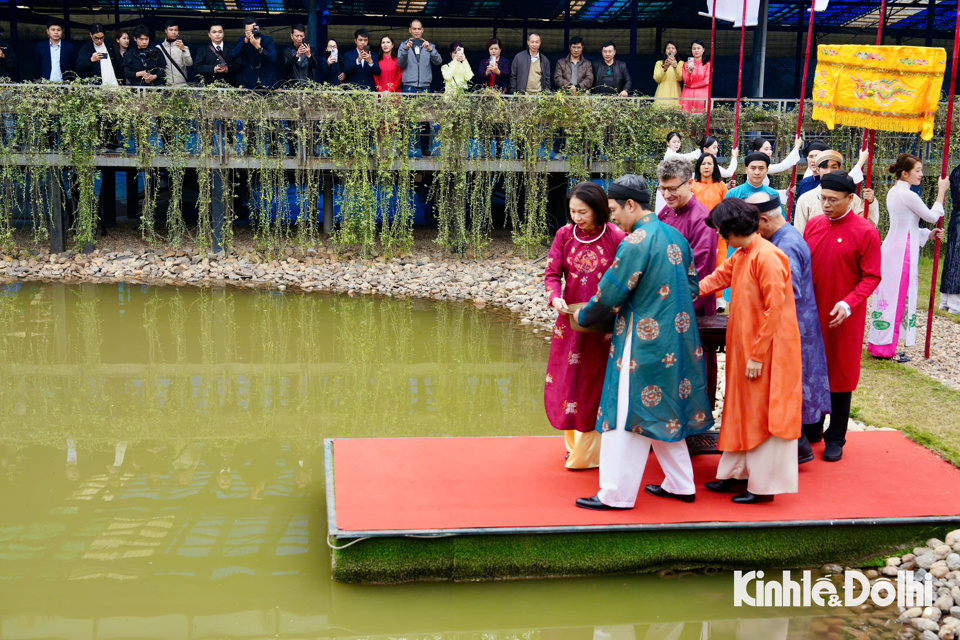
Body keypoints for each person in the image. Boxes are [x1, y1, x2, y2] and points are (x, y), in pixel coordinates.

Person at [573, 175, 715, 510]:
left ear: (632, 205)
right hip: (677, 339)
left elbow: (611, 291)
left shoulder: (636, 241)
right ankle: (681, 484)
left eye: (613, 210)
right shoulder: (676, 236)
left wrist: (586, 316)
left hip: (642, 343)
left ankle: (615, 494)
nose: (612, 218)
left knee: (624, 413)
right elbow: (693, 288)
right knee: (664, 410)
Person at [698, 199, 802, 503]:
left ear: (732, 229)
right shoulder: (744, 253)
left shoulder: (767, 257)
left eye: (721, 231)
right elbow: (719, 278)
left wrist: (757, 355)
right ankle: (737, 474)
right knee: (742, 406)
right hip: (748, 346)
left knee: (764, 411)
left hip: (769, 350)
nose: (720, 236)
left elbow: (775, 311)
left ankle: (764, 485)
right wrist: (688, 289)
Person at [544, 182, 628, 470]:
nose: (577, 218)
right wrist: (554, 298)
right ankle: (573, 445)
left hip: (605, 324)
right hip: (570, 321)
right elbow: (552, 274)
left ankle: (593, 452)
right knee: (569, 379)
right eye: (572, 212)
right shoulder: (564, 235)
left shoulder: (617, 236)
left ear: (600, 210)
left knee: (596, 381)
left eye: (583, 212)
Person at [748, 192, 831, 465]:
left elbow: (786, 291)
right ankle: (802, 440)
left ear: (763, 220)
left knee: (787, 386)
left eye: (753, 226)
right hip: (798, 321)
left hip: (793, 325)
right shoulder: (786, 235)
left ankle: (798, 446)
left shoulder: (786, 245)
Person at [804, 171, 882, 462]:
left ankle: (836, 436)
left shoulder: (865, 232)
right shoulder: (813, 225)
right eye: (822, 198)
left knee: (840, 372)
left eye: (832, 200)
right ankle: (811, 425)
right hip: (812, 312)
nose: (826, 204)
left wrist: (849, 304)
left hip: (844, 316)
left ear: (851, 199)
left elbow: (872, 276)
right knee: (811, 369)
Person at [867, 154, 948, 362]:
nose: (921, 175)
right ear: (905, 173)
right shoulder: (907, 194)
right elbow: (932, 216)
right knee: (894, 300)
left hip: (896, 248)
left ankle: (882, 345)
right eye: (918, 171)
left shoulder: (896, 192)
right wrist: (941, 191)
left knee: (890, 299)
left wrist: (928, 235)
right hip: (900, 253)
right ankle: (885, 349)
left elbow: (908, 226)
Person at [657, 156, 719, 406]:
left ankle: (694, 425)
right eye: (663, 188)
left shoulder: (702, 220)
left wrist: (673, 310)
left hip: (691, 308)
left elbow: (700, 276)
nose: (667, 194)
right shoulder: (665, 212)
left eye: (673, 188)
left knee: (692, 369)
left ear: (690, 183)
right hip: (664, 305)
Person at [793, 149, 878, 235]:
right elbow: (799, 233)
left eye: (833, 167)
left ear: (839, 169)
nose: (829, 171)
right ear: (818, 170)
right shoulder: (805, 199)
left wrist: (870, 202)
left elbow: (866, 226)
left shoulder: (850, 198)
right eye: (824, 167)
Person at [655, 132, 702, 214]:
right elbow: (687, 157)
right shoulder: (669, 155)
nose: (676, 144)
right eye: (674, 142)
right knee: (664, 211)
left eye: (678, 141)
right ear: (668, 143)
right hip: (667, 188)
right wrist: (700, 150)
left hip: (671, 187)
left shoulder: (673, 154)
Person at [232, 17, 278, 90]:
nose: (252, 33)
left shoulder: (268, 40)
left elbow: (273, 58)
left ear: (258, 29)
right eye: (249, 31)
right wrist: (245, 41)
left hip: (267, 81)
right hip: (248, 81)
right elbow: (233, 55)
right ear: (244, 31)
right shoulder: (242, 40)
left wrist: (258, 47)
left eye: (253, 30)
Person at [397, 19, 442, 93]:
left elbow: (438, 61)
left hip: (425, 86)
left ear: (422, 30)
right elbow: (401, 64)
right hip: (409, 86)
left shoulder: (430, 45)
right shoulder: (403, 45)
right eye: (414, 29)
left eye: (419, 29)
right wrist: (406, 49)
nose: (417, 31)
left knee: (426, 105)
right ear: (410, 30)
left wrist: (430, 49)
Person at [940, 165, 960, 315]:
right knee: (956, 259)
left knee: (953, 257)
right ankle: (953, 302)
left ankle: (947, 300)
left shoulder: (956, 171)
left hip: (956, 219)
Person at [156, 19, 193, 87]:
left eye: (176, 30)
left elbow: (189, 63)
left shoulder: (184, 47)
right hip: (165, 85)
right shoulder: (158, 48)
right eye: (171, 30)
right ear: (165, 31)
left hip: (181, 84)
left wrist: (183, 50)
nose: (174, 32)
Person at [680, 39, 710, 113]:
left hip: (701, 94)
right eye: (694, 48)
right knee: (686, 116)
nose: (696, 50)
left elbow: (707, 81)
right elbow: (686, 81)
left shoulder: (707, 64)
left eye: (698, 48)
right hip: (688, 94)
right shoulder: (686, 64)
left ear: (703, 50)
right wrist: (689, 73)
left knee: (700, 117)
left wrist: (692, 86)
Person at [653, 41, 682, 108]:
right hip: (661, 94)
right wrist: (665, 69)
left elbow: (680, 78)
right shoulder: (659, 63)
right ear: (665, 51)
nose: (670, 50)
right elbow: (657, 79)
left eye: (673, 48)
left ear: (676, 51)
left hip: (675, 94)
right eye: (668, 48)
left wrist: (675, 67)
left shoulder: (680, 63)